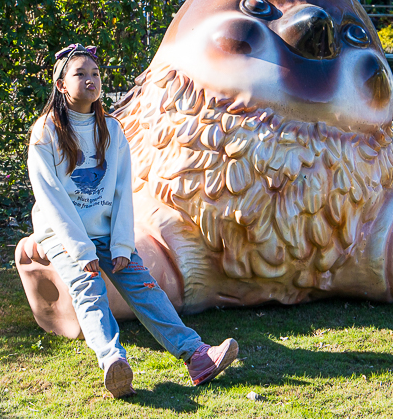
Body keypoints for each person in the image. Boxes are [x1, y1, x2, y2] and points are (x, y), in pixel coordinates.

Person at [25, 43, 238, 398]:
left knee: (143, 285)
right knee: (89, 289)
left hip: (106, 230)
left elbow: (124, 191)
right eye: (80, 74)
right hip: (63, 234)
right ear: (61, 85)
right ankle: (113, 363)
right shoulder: (45, 133)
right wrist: (81, 250)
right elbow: (52, 200)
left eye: (95, 74)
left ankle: (197, 356)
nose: (91, 80)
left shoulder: (112, 130)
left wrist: (122, 244)